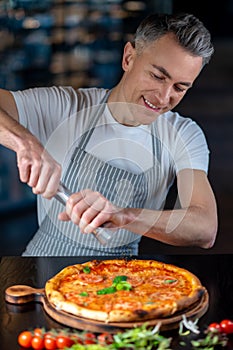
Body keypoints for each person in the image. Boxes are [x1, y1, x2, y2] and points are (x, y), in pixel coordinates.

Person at [0, 12, 218, 256]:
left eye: (180, 87)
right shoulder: (66, 107)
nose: (164, 97)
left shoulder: (183, 135)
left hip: (120, 277)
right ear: (129, 58)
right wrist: (26, 143)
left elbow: (205, 228)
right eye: (157, 76)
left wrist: (124, 215)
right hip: (43, 261)